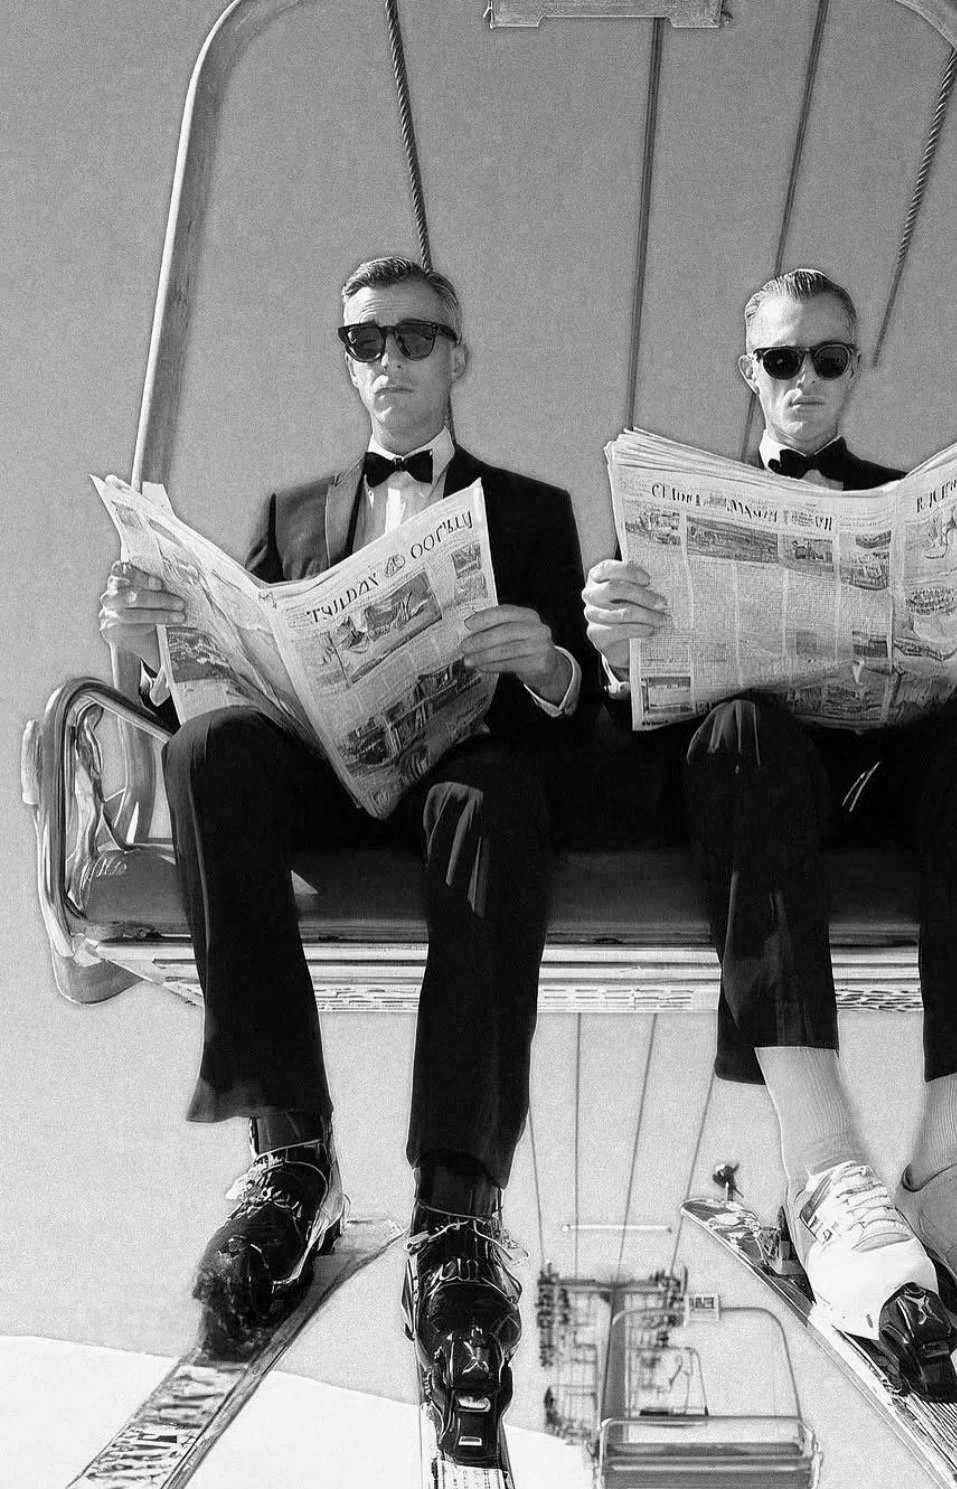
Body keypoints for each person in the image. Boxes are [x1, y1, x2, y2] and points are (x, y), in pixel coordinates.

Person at [582, 268, 957, 1374]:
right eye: (781, 360)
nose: (804, 378)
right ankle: (823, 1162)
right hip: (764, 800)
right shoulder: (682, 529)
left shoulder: (911, 505)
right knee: (740, 736)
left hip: (899, 785)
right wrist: (614, 641)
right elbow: (628, 718)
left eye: (829, 357)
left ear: (855, 369)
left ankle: (953, 1166)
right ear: (749, 373)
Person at [98, 256, 593, 1460]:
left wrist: (544, 663)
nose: (390, 362)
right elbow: (240, 670)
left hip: (456, 772)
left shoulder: (529, 513)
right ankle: (291, 1151)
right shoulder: (290, 516)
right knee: (212, 753)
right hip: (326, 772)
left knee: (499, 799)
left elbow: (587, 696)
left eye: (415, 338)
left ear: (458, 356)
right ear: (347, 358)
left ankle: (457, 1205)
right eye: (365, 341)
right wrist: (160, 652)